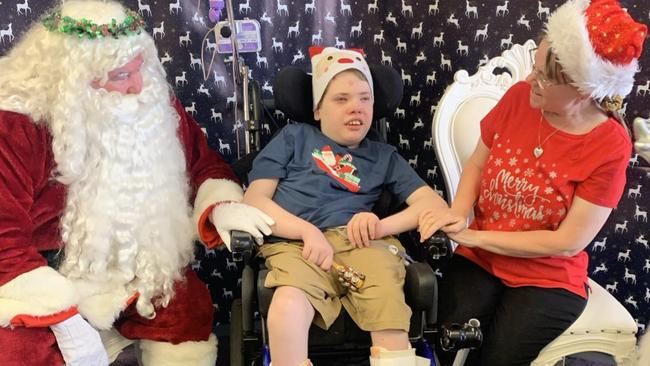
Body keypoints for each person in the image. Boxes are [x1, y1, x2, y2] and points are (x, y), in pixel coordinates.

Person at [0, 1, 274, 365]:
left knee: (185, 308)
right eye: (120, 76)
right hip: (43, 270)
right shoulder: (16, 127)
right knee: (21, 350)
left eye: (139, 68)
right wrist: (60, 314)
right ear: (71, 82)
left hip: (130, 265)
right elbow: (5, 242)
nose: (137, 85)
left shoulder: (151, 103)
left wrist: (220, 206)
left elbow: (201, 164)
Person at [417, 0, 647, 365]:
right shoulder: (517, 98)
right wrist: (460, 213)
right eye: (535, 68)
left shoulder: (610, 146)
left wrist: (474, 235)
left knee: (497, 358)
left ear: (584, 90)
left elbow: (567, 242)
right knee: (444, 343)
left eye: (543, 77)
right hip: (480, 260)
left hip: (548, 277)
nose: (529, 81)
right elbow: (477, 163)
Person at [242, 46, 458, 366]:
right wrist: (307, 230)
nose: (355, 108)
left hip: (361, 243)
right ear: (317, 109)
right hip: (296, 244)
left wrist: (380, 225)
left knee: (387, 298)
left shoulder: (383, 156)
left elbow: (433, 205)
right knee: (286, 306)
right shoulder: (294, 138)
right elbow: (254, 201)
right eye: (341, 99)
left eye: (364, 98)